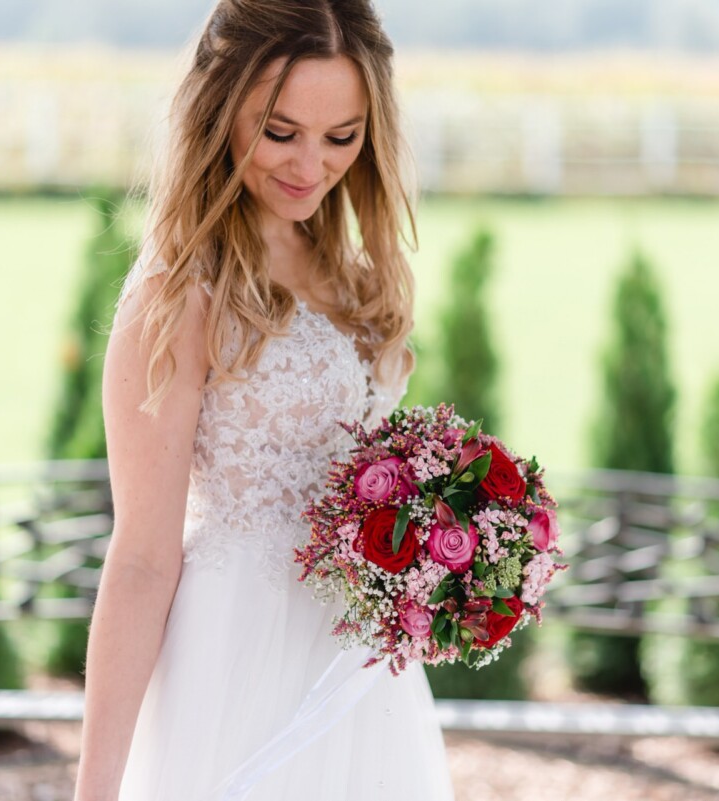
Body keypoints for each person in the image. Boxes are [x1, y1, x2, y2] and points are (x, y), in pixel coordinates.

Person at [73, 1, 456, 799]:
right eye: (279, 132)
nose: (310, 165)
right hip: (233, 658)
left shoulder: (355, 275)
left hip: (356, 670)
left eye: (340, 137)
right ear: (219, 109)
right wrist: (95, 789)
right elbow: (143, 558)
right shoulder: (179, 295)